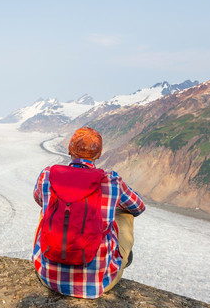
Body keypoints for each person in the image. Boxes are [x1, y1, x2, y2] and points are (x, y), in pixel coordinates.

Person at [32, 126, 145, 299]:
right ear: (98, 154)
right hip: (98, 283)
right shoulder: (111, 180)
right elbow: (138, 207)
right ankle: (121, 257)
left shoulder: (47, 175)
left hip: (48, 278)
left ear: (69, 149)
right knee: (125, 214)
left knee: (46, 211)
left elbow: (38, 199)